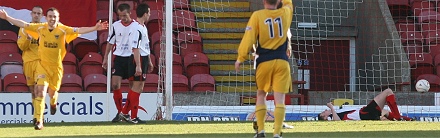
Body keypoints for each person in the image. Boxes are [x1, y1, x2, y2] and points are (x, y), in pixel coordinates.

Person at [0, 7, 108, 130]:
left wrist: (95, 28)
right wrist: (7, 17)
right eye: (50, 16)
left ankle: (53, 102)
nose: (52, 19)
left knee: (52, 93)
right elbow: (23, 24)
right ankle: (39, 121)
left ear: (58, 18)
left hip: (56, 67)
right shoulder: (41, 28)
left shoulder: (63, 30)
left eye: (54, 17)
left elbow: (79, 30)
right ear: (47, 17)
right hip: (42, 66)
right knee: (40, 90)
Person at [235, 0, 293, 137]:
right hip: (281, 61)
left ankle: (260, 130)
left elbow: (248, 38)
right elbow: (288, 3)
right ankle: (277, 133)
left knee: (261, 94)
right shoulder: (285, 12)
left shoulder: (257, 15)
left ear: (263, 1)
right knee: (280, 99)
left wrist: (240, 58)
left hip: (264, 61)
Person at [102, 3, 140, 123]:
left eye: (124, 15)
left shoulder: (136, 26)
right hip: (118, 58)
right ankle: (120, 113)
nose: (122, 18)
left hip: (131, 57)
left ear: (130, 13)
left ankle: (126, 113)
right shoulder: (115, 26)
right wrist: (105, 58)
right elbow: (110, 42)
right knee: (115, 85)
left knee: (132, 86)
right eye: (120, 16)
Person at [119, 3, 154, 124]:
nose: (150, 15)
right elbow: (135, 47)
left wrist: (148, 61)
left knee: (138, 87)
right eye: (149, 12)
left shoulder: (142, 27)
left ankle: (126, 114)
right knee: (136, 87)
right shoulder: (136, 28)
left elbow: (145, 46)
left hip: (143, 58)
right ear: (145, 14)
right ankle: (129, 115)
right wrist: (138, 65)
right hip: (137, 59)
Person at [16, 6, 43, 125]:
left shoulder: (45, 29)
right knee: (32, 90)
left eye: (39, 13)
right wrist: (28, 38)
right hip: (28, 62)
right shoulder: (24, 28)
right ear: (31, 14)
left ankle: (38, 118)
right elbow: (21, 47)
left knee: (39, 89)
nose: (36, 15)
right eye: (35, 13)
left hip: (41, 62)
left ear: (42, 16)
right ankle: (36, 114)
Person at [318, 88, 414, 121]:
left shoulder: (337, 112)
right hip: (364, 114)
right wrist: (331, 107)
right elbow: (337, 121)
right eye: (324, 112)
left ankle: (406, 119)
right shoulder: (331, 117)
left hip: (365, 113)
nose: (326, 110)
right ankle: (397, 117)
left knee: (385, 112)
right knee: (388, 91)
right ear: (324, 117)